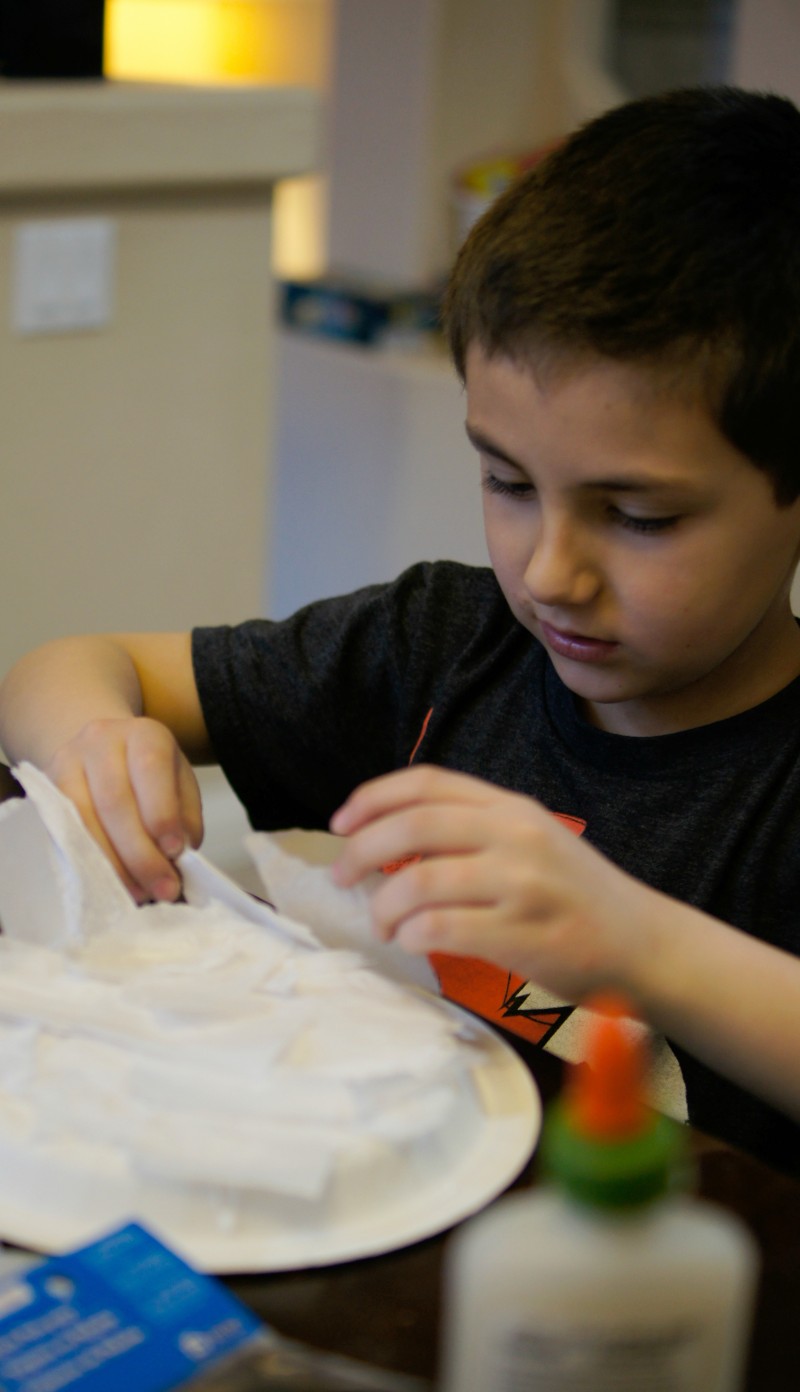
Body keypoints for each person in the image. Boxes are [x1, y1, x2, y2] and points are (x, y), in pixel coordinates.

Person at [2, 85, 800, 1171]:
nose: (550, 572)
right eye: (506, 481)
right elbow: (72, 666)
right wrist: (92, 740)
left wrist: (634, 940)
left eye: (637, 516)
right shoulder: (441, 645)